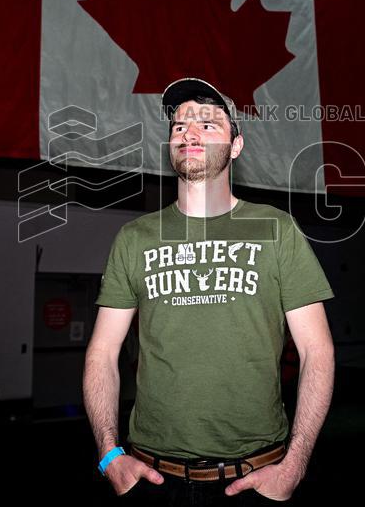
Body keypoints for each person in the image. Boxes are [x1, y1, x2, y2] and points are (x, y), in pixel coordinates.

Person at [83, 77, 335, 505]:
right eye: (179, 126)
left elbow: (318, 351)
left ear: (236, 146)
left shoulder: (276, 229)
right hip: (152, 480)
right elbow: (102, 353)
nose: (189, 133)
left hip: (255, 478)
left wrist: (295, 464)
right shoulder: (135, 237)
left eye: (207, 123)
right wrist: (109, 455)